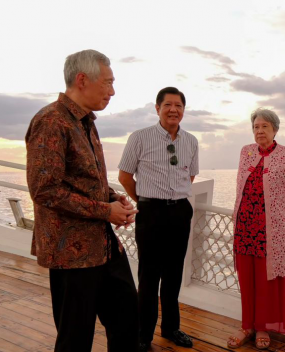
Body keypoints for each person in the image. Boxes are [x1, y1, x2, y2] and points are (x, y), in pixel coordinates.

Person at [25, 49, 139, 352]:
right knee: (75, 340)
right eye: (108, 83)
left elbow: (83, 180)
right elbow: (45, 189)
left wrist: (115, 199)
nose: (113, 91)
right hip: (71, 255)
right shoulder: (51, 121)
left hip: (103, 246)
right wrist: (106, 210)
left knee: (128, 323)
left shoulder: (85, 121)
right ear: (82, 79)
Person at [118, 87, 199, 351]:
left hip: (179, 212)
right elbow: (125, 176)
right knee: (149, 275)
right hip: (150, 213)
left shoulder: (191, 141)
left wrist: (176, 201)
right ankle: (144, 335)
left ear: (183, 110)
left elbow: (190, 177)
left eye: (178, 105)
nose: (173, 110)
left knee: (174, 273)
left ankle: (171, 328)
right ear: (157, 108)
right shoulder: (140, 138)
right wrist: (143, 200)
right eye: (168, 105)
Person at [226, 108, 285, 349]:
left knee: (265, 280)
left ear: (275, 129)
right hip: (245, 225)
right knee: (247, 277)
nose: (259, 131)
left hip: (273, 229)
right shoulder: (246, 151)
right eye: (256, 127)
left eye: (264, 126)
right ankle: (247, 325)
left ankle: (262, 326)